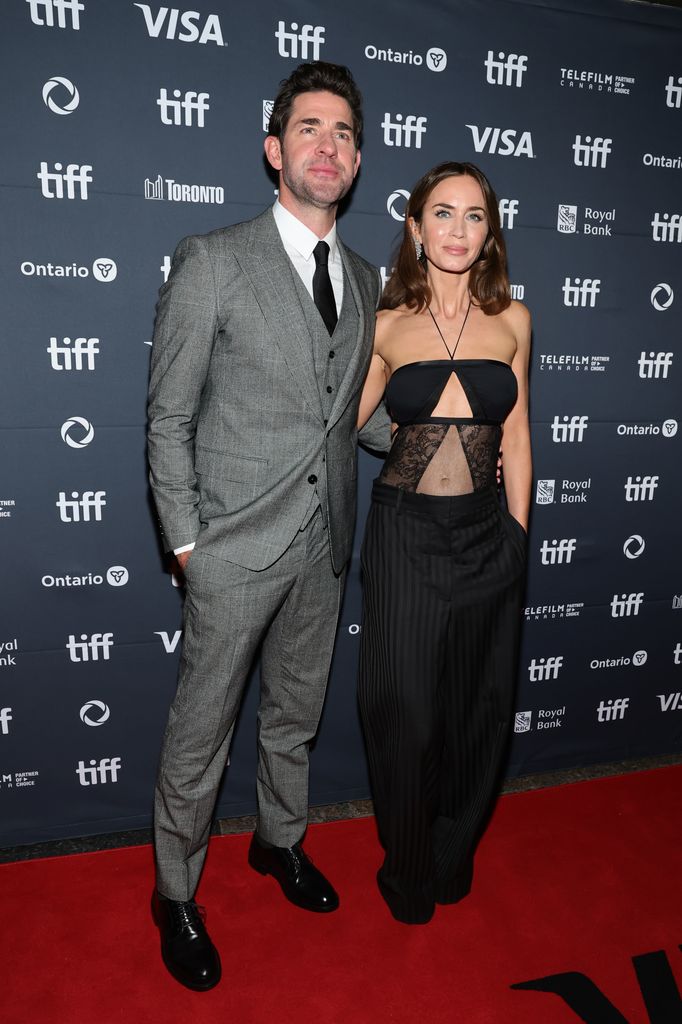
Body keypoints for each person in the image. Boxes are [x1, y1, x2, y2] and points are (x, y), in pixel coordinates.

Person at [147, 61, 389, 990]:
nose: (326, 147)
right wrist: (188, 542)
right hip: (232, 548)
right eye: (309, 129)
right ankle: (174, 891)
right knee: (201, 729)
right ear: (273, 148)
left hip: (326, 544)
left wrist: (436, 429)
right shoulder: (213, 259)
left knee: (294, 715)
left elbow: (351, 415)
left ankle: (278, 843)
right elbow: (167, 416)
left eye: (342, 135)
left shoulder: (365, 280)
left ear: (357, 161)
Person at [357, 161, 531, 925]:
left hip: (488, 536)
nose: (457, 230)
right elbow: (344, 423)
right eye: (443, 213)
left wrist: (520, 535)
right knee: (403, 710)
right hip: (405, 535)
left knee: (478, 709)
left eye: (473, 216)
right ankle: (408, 868)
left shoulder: (514, 321)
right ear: (415, 226)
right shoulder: (387, 324)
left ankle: (452, 856)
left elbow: (519, 436)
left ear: (489, 232)